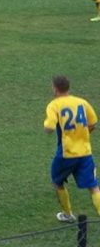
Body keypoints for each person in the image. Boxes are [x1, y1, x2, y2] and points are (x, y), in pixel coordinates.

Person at [43, 75, 100, 222]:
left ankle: (67, 214)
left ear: (55, 88)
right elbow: (93, 123)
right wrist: (82, 134)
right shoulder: (82, 102)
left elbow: (49, 127)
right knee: (93, 186)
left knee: (57, 182)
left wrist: (47, 128)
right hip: (85, 152)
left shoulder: (54, 105)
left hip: (66, 154)